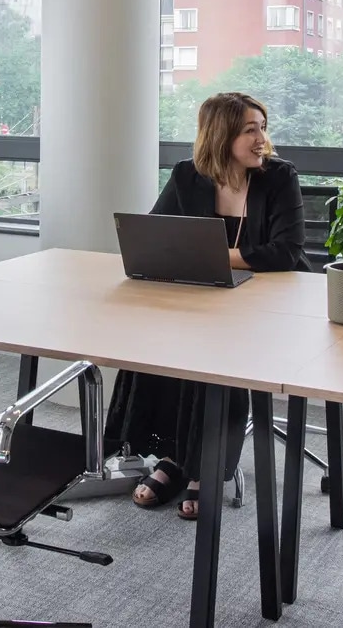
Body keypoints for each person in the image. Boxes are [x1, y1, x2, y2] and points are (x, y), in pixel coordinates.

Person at [107, 91, 308, 520]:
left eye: (263, 127)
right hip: (205, 292)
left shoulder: (278, 177)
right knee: (157, 341)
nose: (261, 139)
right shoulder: (187, 176)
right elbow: (156, 236)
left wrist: (208, 253)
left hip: (272, 303)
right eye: (250, 129)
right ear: (221, 136)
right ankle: (174, 457)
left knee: (217, 349)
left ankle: (206, 466)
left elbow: (285, 253)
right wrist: (202, 258)